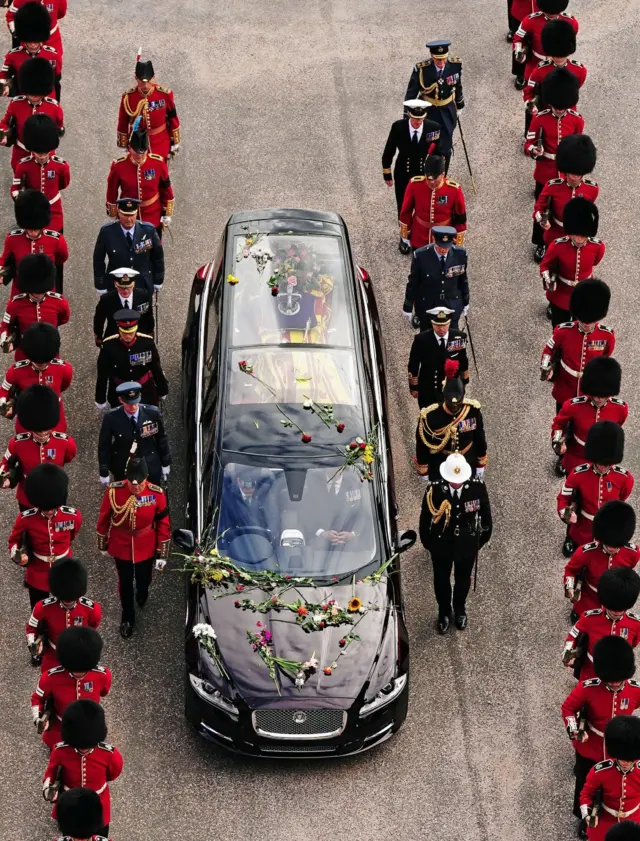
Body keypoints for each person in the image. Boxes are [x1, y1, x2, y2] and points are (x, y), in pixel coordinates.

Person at [562, 637, 640, 827]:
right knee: (585, 782)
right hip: (592, 744)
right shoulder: (588, 688)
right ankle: (584, 819)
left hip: (623, 745)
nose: (614, 684)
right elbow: (568, 709)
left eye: (618, 680)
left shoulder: (635, 690)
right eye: (610, 680)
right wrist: (574, 730)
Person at [96, 455, 170, 638]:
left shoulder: (157, 494)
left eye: (138, 483)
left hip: (146, 543)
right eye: (131, 482)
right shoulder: (114, 491)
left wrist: (162, 553)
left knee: (144, 578)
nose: (135, 487)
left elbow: (163, 523)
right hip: (121, 543)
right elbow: (104, 517)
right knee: (125, 582)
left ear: (145, 479)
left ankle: (143, 591)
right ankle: (127, 616)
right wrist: (102, 542)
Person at [419, 452, 492, 633]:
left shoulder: (477, 487)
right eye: (453, 480)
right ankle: (444, 611)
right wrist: (429, 544)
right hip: (441, 542)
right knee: (441, 580)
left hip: (466, 544)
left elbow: (486, 520)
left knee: (462, 581)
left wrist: (478, 542)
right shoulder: (434, 489)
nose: (456, 483)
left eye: (458, 480)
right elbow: (425, 519)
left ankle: (460, 609)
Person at [0, 362, 75, 509]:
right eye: (38, 431)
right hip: (27, 497)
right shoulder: (17, 443)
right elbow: (4, 462)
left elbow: (67, 457)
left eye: (45, 430)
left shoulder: (66, 443)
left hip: (54, 494)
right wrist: (4, 477)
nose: (42, 434)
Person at [43, 700, 123, 838]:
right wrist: (47, 787)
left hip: (98, 800)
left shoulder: (108, 754)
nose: (83, 748)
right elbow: (51, 772)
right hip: (71, 802)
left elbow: (114, 773)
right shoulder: (60, 751)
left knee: (100, 832)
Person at [7, 462, 81, 606]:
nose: (48, 511)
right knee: (38, 613)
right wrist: (18, 556)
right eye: (45, 508)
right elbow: (13, 542)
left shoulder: (73, 516)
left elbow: (72, 535)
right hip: (38, 570)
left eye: (51, 508)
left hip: (63, 568)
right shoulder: (25, 519)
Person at [558, 422, 633, 557]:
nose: (603, 467)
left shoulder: (625, 478)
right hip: (582, 524)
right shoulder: (578, 474)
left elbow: (622, 497)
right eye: (600, 462)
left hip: (607, 528)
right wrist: (565, 514)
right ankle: (570, 539)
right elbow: (563, 498)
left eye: (606, 464)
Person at [31, 627, 111, 750]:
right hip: (59, 728)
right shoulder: (50, 677)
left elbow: (103, 692)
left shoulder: (103, 675)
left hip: (89, 730)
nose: (78, 673)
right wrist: (39, 717)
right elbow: (37, 698)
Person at [540, 279, 614, 411]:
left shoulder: (606, 335)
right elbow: (549, 349)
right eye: (583, 320)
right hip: (566, 383)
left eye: (590, 322)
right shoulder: (563, 331)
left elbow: (605, 355)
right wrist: (546, 365)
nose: (586, 324)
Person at [382, 98, 441, 252]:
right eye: (415, 120)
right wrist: (387, 173)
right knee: (403, 206)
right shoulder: (398, 127)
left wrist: (437, 174)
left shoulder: (432, 128)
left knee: (423, 206)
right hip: (403, 172)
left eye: (421, 119)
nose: (418, 123)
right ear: (409, 116)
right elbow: (389, 150)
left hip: (423, 173)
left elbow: (438, 153)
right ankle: (404, 237)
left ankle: (420, 236)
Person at [552, 357, 627, 477]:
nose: (600, 399)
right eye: (597, 395)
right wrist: (558, 441)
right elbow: (558, 424)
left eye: (604, 395)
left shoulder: (620, 408)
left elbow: (616, 427)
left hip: (603, 460)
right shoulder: (573, 406)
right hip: (576, 456)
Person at [564, 502, 639, 619]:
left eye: (616, 545)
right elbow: (570, 570)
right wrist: (570, 587)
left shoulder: (633, 553)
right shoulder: (586, 552)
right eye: (609, 544)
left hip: (615, 599)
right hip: (590, 597)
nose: (612, 548)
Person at [563, 569, 640, 683]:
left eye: (621, 608)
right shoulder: (589, 617)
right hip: (590, 670)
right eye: (613, 608)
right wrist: (568, 652)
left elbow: (633, 643)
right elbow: (573, 635)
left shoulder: (636, 623)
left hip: (618, 676)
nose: (617, 612)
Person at [26, 557, 101, 671]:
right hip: (53, 655)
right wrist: (34, 643)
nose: (68, 601)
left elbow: (92, 627)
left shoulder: (91, 608)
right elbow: (31, 628)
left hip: (79, 656)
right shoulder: (43, 607)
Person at [532, 133, 598, 263]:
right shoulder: (552, 186)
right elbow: (539, 207)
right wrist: (542, 220)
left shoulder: (592, 189)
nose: (574, 177)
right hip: (554, 231)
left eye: (578, 173)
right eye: (572, 172)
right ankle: (542, 245)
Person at [541, 198, 605, 326]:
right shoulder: (558, 245)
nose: (579, 239)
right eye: (576, 234)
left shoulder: (598, 247)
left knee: (580, 327)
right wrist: (547, 277)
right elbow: (545, 265)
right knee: (559, 327)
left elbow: (595, 262)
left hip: (584, 292)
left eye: (583, 235)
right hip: (561, 292)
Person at [404, 39, 463, 174]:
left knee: (446, 149)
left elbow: (458, 86)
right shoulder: (421, 69)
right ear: (432, 56)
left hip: (448, 111)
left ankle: (442, 175)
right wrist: (407, 117)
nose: (441, 64)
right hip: (428, 112)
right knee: (426, 145)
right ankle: (424, 175)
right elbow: (411, 94)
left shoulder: (455, 65)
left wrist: (460, 105)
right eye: (438, 60)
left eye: (443, 60)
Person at [415, 372, 487, 480]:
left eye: (458, 402)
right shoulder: (430, 417)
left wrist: (480, 462)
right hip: (441, 463)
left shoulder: (472, 411)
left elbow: (479, 437)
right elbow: (422, 444)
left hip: (467, 461)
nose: (455, 406)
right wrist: (424, 468)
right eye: (451, 403)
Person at [105, 125, 174, 237]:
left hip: (153, 214)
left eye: (143, 152)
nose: (140, 156)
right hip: (129, 213)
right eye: (137, 152)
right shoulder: (119, 166)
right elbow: (111, 189)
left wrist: (167, 212)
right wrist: (113, 211)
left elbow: (166, 187)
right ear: (129, 149)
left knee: (153, 249)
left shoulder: (158, 163)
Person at [524, 68, 583, 198]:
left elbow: (577, 147)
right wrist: (534, 150)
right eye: (557, 106)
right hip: (545, 168)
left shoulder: (577, 120)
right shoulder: (539, 119)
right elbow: (528, 144)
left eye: (563, 107)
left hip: (565, 172)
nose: (560, 110)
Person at [0, 324, 72, 431]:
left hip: (53, 416)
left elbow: (63, 386)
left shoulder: (64, 369)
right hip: (27, 418)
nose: (41, 363)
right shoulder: (15, 371)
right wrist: (4, 406)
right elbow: (3, 390)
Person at [98, 381, 170, 486]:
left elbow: (161, 439)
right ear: (121, 400)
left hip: (149, 463)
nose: (133, 407)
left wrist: (165, 462)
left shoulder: (152, 413)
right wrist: (103, 470)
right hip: (123, 465)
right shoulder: (111, 418)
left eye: (135, 403)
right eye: (129, 404)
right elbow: (104, 445)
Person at [579, 716, 640, 841]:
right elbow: (586, 795)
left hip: (635, 819)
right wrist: (588, 815)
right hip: (606, 820)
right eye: (622, 757)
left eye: (629, 759)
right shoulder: (600, 771)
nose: (625, 762)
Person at [0, 252, 70, 359]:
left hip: (50, 350)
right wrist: (5, 341)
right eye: (35, 291)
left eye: (41, 291)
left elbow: (64, 318)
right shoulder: (15, 304)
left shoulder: (59, 302)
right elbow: (5, 325)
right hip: (24, 351)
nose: (38, 294)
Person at [522, 18, 586, 135]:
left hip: (568, 112)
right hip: (545, 111)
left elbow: (575, 88)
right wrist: (531, 105)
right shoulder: (540, 70)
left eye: (562, 54)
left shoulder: (579, 70)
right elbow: (528, 91)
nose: (559, 58)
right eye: (556, 54)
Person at [0, 57, 63, 173]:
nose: (34, 96)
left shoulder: (54, 107)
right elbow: (4, 123)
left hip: (45, 155)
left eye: (38, 93)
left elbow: (58, 128)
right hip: (21, 152)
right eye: (31, 92)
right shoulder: (16, 104)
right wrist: (4, 134)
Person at [95, 309, 168, 409]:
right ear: (119, 330)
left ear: (136, 329)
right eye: (124, 333)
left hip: (145, 391)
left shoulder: (146, 343)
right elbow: (102, 374)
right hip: (119, 392)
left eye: (131, 333)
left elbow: (156, 368)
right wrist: (100, 398)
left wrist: (162, 389)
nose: (127, 336)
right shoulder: (108, 346)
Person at [0, 191, 68, 297]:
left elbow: (61, 258)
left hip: (45, 293)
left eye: (36, 229)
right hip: (20, 292)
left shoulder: (56, 240)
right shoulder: (12, 239)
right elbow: (4, 259)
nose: (33, 233)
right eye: (30, 229)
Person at [92, 197, 164, 296]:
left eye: (132, 215)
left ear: (136, 214)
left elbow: (158, 257)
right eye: (125, 215)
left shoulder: (148, 230)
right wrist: (100, 284)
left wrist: (158, 280)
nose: (129, 219)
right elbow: (98, 260)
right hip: (116, 285)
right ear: (118, 213)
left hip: (142, 284)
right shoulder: (107, 232)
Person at [11, 112, 70, 232]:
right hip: (31, 212)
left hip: (54, 211)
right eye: (38, 153)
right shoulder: (23, 165)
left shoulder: (61, 165)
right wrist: (21, 199)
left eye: (45, 153)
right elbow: (15, 188)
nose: (42, 156)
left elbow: (63, 184)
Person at [402, 225, 469, 330]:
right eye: (440, 246)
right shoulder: (420, 256)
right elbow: (413, 283)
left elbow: (462, 280)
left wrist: (466, 302)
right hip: (428, 305)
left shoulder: (460, 254)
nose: (443, 250)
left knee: (452, 339)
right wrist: (408, 306)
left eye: (446, 246)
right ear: (434, 240)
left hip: (451, 304)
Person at [116, 55, 180, 163]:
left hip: (160, 142)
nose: (145, 85)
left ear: (153, 77)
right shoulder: (128, 97)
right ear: (136, 79)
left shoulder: (165, 95)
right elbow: (123, 121)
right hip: (136, 143)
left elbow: (173, 117)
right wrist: (123, 143)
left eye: (148, 81)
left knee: (160, 172)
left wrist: (175, 140)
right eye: (142, 81)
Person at [398, 154, 467, 252]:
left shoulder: (454, 189)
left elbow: (460, 218)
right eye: (429, 178)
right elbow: (406, 211)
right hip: (419, 237)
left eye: (435, 178)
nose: (432, 182)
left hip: (443, 238)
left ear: (443, 174)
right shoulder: (414, 185)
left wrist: (457, 242)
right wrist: (405, 236)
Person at [408, 306, 469, 409]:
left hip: (451, 389)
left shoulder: (459, 337)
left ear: (449, 323)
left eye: (445, 325)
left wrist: (464, 382)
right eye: (437, 325)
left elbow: (463, 361)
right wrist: (414, 387)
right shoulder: (421, 340)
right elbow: (413, 364)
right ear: (432, 323)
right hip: (428, 389)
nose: (442, 329)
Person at [0, 2, 61, 99]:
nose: (32, 45)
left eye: (36, 41)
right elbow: (4, 76)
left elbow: (56, 79)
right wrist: (5, 87)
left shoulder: (52, 55)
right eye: (29, 41)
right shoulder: (13, 56)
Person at [512, 0, 578, 87]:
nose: (551, 14)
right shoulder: (530, 20)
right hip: (535, 62)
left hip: (559, 65)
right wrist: (518, 50)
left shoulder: (571, 22)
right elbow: (518, 37)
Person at [93, 268, 154, 344]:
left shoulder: (143, 296)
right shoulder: (106, 299)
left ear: (134, 283)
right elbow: (99, 319)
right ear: (115, 283)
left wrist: (150, 332)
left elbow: (149, 316)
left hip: (138, 338)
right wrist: (99, 336)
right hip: (114, 339)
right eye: (121, 288)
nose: (125, 291)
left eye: (128, 287)